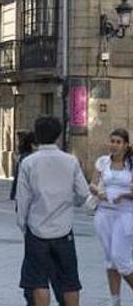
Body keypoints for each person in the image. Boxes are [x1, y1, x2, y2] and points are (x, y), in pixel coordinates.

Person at [16, 116, 89, 306]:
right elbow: (83, 193)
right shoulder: (70, 161)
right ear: (58, 135)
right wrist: (70, 203)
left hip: (37, 229)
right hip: (64, 230)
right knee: (69, 280)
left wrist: (23, 224)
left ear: (37, 136)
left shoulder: (29, 163)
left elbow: (23, 199)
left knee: (38, 280)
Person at [90, 128, 133, 306]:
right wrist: (98, 191)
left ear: (125, 145)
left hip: (125, 213)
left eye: (118, 142)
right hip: (103, 213)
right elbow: (92, 184)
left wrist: (123, 196)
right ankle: (115, 300)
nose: (114, 145)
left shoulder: (131, 165)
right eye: (112, 141)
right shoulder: (102, 162)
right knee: (110, 260)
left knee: (120, 258)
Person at [10, 131, 37, 201]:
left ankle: (14, 193)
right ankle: (14, 193)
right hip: (23, 157)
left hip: (23, 158)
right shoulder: (24, 144)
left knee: (19, 177)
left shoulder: (23, 143)